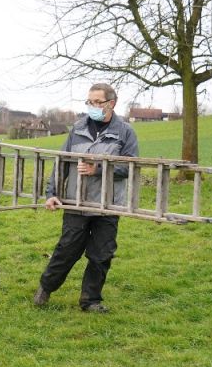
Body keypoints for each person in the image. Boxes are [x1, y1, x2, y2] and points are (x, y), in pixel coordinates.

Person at [34, 83, 139, 313]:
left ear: (111, 104)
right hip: (76, 202)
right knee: (67, 249)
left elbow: (130, 168)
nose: (91, 106)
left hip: (107, 204)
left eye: (96, 102)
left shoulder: (125, 132)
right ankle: (45, 287)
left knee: (102, 254)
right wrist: (52, 193)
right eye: (89, 102)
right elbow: (61, 162)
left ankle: (90, 300)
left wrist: (98, 168)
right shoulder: (78, 128)